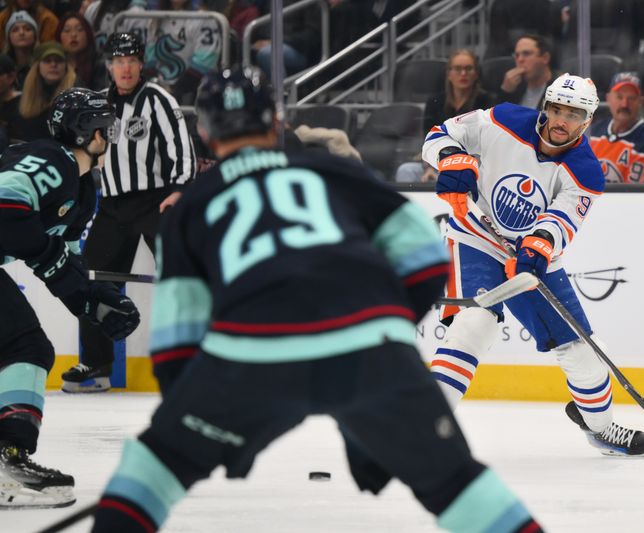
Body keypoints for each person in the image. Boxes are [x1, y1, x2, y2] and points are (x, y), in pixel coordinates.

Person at [88, 66, 543, 533]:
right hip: (370, 353)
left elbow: (175, 342)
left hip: (250, 357)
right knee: (455, 483)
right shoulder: (332, 170)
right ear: (277, 120)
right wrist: (384, 330)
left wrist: (195, 423)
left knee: (154, 466)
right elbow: (425, 258)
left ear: (203, 131)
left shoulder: (190, 207)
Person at [423, 73, 644, 457]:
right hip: (475, 237)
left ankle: (600, 429)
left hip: (534, 259)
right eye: (556, 109)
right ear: (545, 107)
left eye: (573, 114)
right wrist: (452, 159)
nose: (561, 120)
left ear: (588, 121)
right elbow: (439, 134)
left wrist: (536, 250)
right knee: (474, 325)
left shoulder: (585, 171)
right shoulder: (503, 120)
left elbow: (561, 221)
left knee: (582, 354)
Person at [0, 88, 140, 509]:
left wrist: (93, 302)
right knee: (25, 346)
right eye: (105, 127)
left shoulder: (81, 191)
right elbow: (5, 208)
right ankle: (10, 461)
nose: (109, 136)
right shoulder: (53, 159)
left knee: (23, 346)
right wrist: (53, 262)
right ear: (88, 132)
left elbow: (66, 263)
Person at [62, 31, 195, 392]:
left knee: (183, 274)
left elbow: (180, 147)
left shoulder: (158, 100)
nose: (125, 68)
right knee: (92, 277)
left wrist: (179, 188)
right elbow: (85, 150)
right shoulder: (100, 102)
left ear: (141, 64)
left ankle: (193, 357)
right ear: (109, 66)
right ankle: (97, 363)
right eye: (118, 61)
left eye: (131, 61)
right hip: (112, 203)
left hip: (156, 201)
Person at [395, 48, 492, 183]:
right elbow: (429, 138)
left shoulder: (486, 101)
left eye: (468, 69)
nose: (463, 73)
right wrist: (429, 167)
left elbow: (485, 142)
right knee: (406, 170)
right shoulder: (435, 101)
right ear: (449, 74)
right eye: (457, 69)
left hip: (472, 163)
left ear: (476, 74)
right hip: (439, 162)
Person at [143, 0, 222, 104]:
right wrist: (154, 88)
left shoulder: (204, 19)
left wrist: (176, 93)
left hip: (193, 94)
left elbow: (204, 63)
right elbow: (150, 61)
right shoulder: (155, 19)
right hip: (160, 91)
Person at [589, 72, 644, 183]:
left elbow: (633, 197)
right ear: (608, 98)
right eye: (619, 97)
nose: (624, 104)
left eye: (631, 98)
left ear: (640, 102)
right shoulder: (592, 132)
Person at [7, 42, 77, 142]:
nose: (53, 65)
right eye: (47, 61)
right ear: (37, 66)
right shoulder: (22, 100)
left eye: (59, 61)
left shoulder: (75, 96)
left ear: (66, 66)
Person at [494, 34, 557, 109]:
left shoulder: (558, 89)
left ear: (545, 58)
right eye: (517, 55)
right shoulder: (515, 87)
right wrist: (506, 92)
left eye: (526, 54)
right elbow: (494, 118)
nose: (520, 60)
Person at [56, 12, 107, 90]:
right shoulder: (54, 63)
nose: (73, 35)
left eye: (79, 30)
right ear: (59, 37)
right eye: (67, 30)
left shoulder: (99, 63)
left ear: (88, 34)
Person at [3, 10, 39, 88]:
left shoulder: (43, 64)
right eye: (15, 30)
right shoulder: (2, 66)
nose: (21, 33)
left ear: (35, 36)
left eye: (27, 29)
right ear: (9, 38)